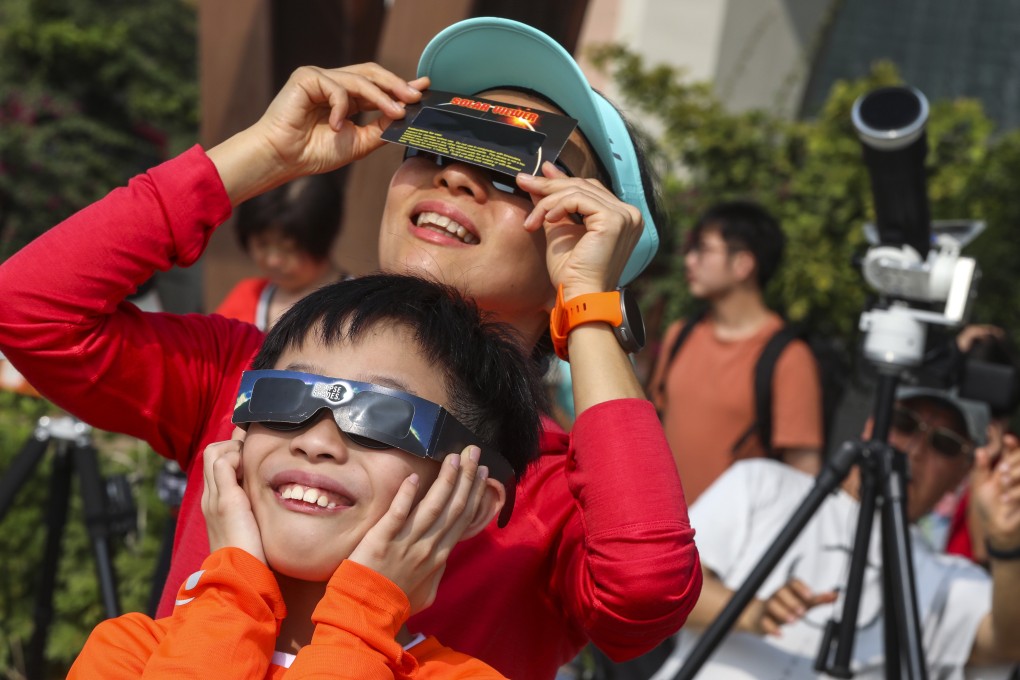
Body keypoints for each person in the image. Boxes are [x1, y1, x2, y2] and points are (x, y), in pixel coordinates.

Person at [0, 17, 701, 680]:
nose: (456, 175)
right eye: (440, 141)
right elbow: (30, 312)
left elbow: (644, 590)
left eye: (521, 167)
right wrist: (257, 155)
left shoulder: (551, 486)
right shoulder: (250, 379)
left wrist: (587, 304)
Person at [67, 273, 544, 678]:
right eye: (285, 397)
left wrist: (363, 619)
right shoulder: (129, 653)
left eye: (381, 415)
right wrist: (233, 593)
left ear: (469, 499)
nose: (315, 441)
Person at [652, 386, 1020, 679]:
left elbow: (1007, 643)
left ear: (962, 474)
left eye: (944, 443)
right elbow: (660, 584)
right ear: (870, 425)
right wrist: (752, 611)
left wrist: (1007, 544)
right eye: (903, 422)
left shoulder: (949, 579)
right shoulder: (764, 483)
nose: (914, 449)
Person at [648, 200, 823, 502]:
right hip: (664, 533)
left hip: (736, 545)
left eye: (703, 249)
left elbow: (803, 474)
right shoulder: (681, 334)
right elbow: (651, 429)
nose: (689, 260)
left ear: (743, 264)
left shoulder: (789, 358)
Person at [215, 172, 347, 330]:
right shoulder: (245, 297)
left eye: (290, 248)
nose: (273, 260)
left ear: (321, 239)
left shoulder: (353, 311)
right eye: (262, 244)